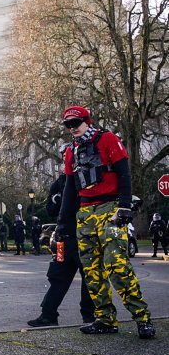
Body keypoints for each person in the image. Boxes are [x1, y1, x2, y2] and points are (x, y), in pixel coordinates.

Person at [58, 105, 155, 338]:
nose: (73, 128)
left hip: (110, 208)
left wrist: (123, 206)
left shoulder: (107, 139)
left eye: (77, 123)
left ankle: (142, 318)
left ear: (87, 121)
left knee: (116, 265)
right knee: (91, 270)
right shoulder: (71, 151)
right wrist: (62, 223)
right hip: (85, 212)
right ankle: (105, 319)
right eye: (69, 125)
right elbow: (70, 188)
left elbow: (124, 173)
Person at [27, 174, 95, 327]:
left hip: (84, 236)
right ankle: (48, 315)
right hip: (64, 237)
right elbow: (50, 210)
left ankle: (89, 316)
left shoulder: (87, 175)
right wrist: (55, 200)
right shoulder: (60, 181)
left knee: (90, 278)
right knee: (58, 276)